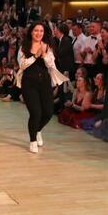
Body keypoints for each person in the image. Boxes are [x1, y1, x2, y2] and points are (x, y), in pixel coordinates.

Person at [16, 22, 68, 153]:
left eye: (41, 31)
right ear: (31, 32)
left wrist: (44, 54)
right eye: (36, 30)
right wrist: (35, 56)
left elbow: (51, 64)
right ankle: (32, 140)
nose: (38, 33)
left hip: (44, 82)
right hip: (29, 83)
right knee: (35, 113)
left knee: (48, 112)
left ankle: (38, 130)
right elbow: (22, 65)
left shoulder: (47, 46)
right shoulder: (24, 46)